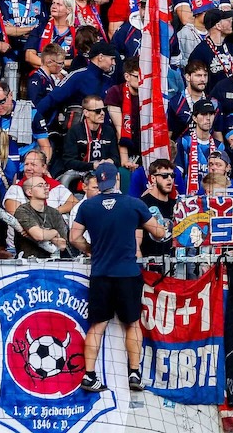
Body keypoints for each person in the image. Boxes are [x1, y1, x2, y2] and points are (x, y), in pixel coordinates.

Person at [68, 162, 169, 393]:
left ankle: (89, 375)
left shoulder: (88, 206)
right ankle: (134, 373)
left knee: (97, 326)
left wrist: (91, 250)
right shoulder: (134, 203)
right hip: (127, 274)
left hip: (101, 273)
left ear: (99, 182)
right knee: (132, 324)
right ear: (118, 180)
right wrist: (165, 226)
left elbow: (74, 237)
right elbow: (159, 232)